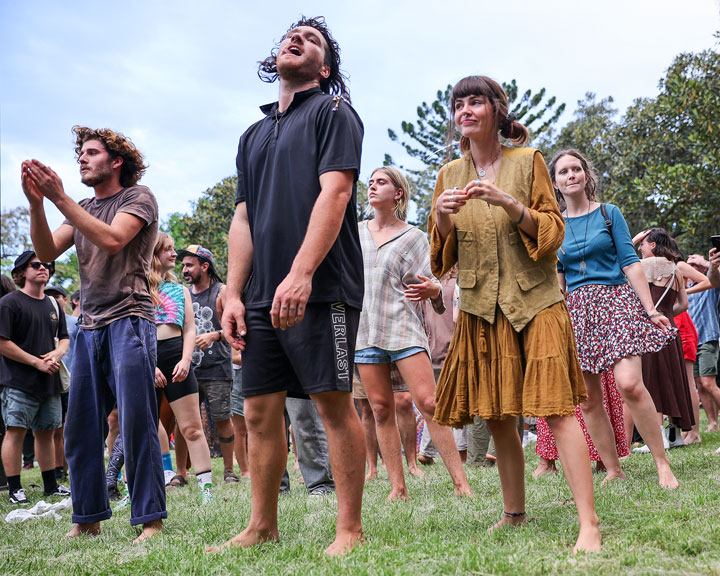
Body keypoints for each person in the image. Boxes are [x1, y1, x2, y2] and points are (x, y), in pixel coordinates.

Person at [429, 76, 600, 553]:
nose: (466, 109)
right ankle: (514, 513)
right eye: (459, 103)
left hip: (537, 301)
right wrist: (442, 217)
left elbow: (552, 230)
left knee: (556, 410)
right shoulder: (448, 176)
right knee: (501, 417)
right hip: (482, 307)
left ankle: (589, 523)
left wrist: (509, 203)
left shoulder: (529, 162)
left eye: (476, 101)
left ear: (496, 110)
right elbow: (440, 258)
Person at [216, 16, 366, 556]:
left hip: (323, 288)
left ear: (324, 67)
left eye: (312, 39)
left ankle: (349, 528)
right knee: (257, 411)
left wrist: (301, 273)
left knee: (331, 404)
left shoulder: (333, 112)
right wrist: (233, 293)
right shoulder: (252, 135)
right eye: (289, 35)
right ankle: (261, 525)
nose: (295, 40)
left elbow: (337, 193)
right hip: (259, 297)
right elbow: (243, 220)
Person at [21, 125, 165, 542]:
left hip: (130, 320)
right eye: (79, 153)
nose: (81, 159)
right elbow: (46, 253)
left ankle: (150, 519)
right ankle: (87, 518)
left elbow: (114, 239)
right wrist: (37, 204)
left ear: (116, 161)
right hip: (88, 327)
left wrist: (59, 197)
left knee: (137, 422)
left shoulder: (138, 198)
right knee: (81, 428)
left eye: (91, 152)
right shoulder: (81, 206)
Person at [549, 149, 678, 489]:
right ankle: (613, 469)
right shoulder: (555, 225)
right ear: (556, 182)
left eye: (577, 168)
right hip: (576, 311)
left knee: (630, 384)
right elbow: (557, 277)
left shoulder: (609, 213)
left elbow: (631, 262)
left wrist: (649, 309)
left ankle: (661, 463)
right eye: (563, 171)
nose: (571, 175)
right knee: (589, 399)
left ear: (586, 176)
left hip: (616, 302)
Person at [355, 166, 472, 501]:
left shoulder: (415, 238)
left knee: (429, 403)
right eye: (371, 182)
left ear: (399, 193)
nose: (373, 187)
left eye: (381, 182)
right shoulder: (355, 233)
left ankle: (461, 482)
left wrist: (434, 291)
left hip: (404, 329)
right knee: (379, 408)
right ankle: (398, 487)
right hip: (366, 331)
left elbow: (435, 288)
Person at [0, 252, 71, 505]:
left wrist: (58, 353)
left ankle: (51, 486)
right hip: (19, 381)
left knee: (47, 432)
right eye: (36, 265)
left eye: (47, 265)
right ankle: (15, 489)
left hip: (49, 382)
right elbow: (2, 343)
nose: (44, 268)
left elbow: (64, 337)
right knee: (16, 431)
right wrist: (36, 362)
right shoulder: (10, 303)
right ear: (20, 273)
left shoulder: (54, 305)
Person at [150, 233, 214, 502]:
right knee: (143, 428)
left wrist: (186, 360)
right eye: (168, 249)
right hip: (145, 360)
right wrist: (148, 365)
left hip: (177, 357)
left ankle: (207, 492)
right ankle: (135, 489)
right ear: (153, 254)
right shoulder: (136, 288)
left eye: (173, 249)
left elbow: (189, 329)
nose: (174, 254)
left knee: (192, 428)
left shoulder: (180, 290)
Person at [177, 245, 237, 484]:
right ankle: (180, 473)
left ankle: (229, 471)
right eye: (182, 265)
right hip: (187, 369)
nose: (184, 270)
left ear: (205, 266)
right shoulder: (183, 294)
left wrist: (214, 335)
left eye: (189, 265)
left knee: (222, 418)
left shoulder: (222, 292)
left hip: (217, 368)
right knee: (185, 421)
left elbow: (235, 326)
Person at [45, 285, 75, 482]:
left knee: (69, 428)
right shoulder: (43, 320)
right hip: (51, 380)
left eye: (58, 296)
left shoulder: (75, 323)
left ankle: (69, 468)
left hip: (73, 381)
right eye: (50, 297)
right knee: (55, 428)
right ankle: (57, 470)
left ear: (65, 300)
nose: (54, 299)